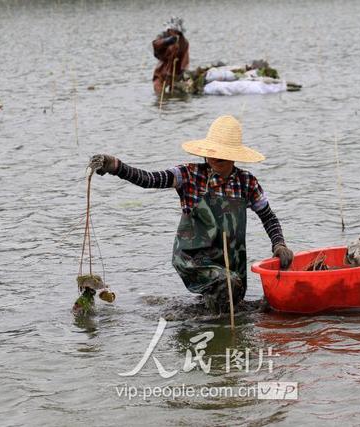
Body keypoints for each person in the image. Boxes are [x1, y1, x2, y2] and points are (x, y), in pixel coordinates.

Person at [88, 115, 294, 312]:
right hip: (193, 259)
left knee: (232, 294)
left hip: (231, 263)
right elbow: (149, 179)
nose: (216, 157)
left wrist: (279, 244)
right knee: (226, 285)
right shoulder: (188, 175)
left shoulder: (246, 182)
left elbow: (268, 217)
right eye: (213, 152)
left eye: (222, 154)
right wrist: (117, 166)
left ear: (234, 156)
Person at [152, 16, 189, 95]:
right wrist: (166, 41)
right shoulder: (163, 36)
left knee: (175, 95)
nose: (174, 32)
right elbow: (156, 44)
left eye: (176, 31)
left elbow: (185, 58)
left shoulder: (184, 42)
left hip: (175, 73)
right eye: (172, 30)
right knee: (159, 92)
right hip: (161, 71)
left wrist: (183, 70)